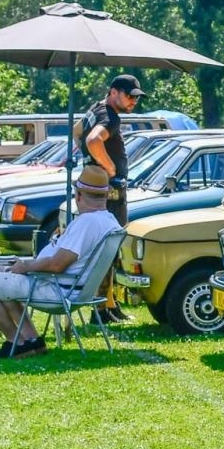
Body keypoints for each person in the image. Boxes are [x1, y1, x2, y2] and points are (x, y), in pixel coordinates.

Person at [0, 166, 121, 358]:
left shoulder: (87, 222)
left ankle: (16, 340)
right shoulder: (109, 221)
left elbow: (57, 265)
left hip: (56, 290)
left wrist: (26, 266)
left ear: (78, 195)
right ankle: (32, 340)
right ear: (105, 196)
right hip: (71, 289)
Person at [82, 73, 142, 321]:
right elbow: (92, 139)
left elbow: (77, 131)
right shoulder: (110, 116)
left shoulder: (95, 109)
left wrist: (90, 163)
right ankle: (102, 309)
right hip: (111, 193)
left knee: (106, 249)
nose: (133, 102)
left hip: (99, 191)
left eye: (136, 98)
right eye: (129, 96)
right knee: (109, 249)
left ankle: (109, 304)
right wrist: (109, 169)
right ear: (113, 92)